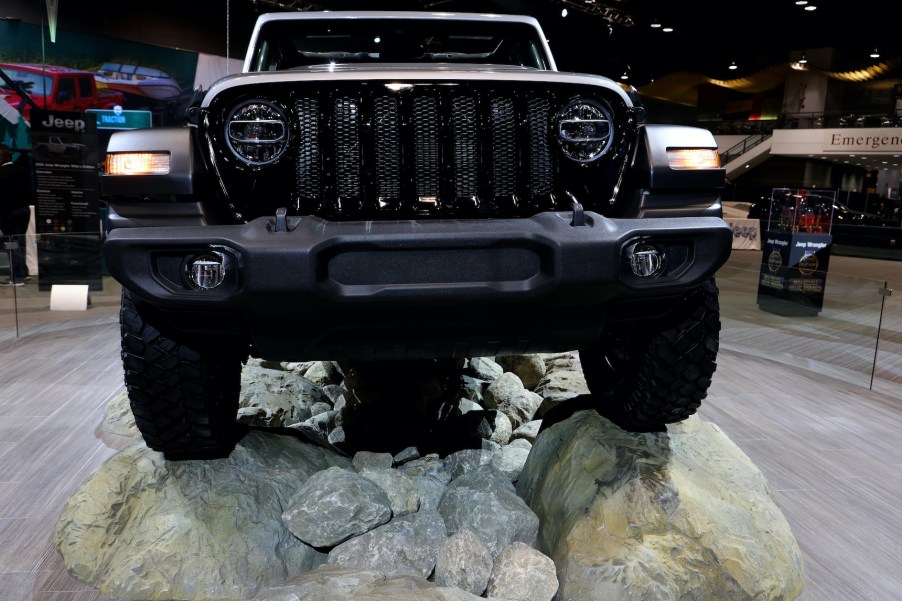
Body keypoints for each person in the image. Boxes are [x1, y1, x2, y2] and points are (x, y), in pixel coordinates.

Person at [0, 143, 33, 286]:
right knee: (20, 242)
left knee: (12, 244)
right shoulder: (22, 170)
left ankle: (17, 277)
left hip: (9, 214)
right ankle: (23, 273)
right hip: (24, 211)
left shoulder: (1, 174)